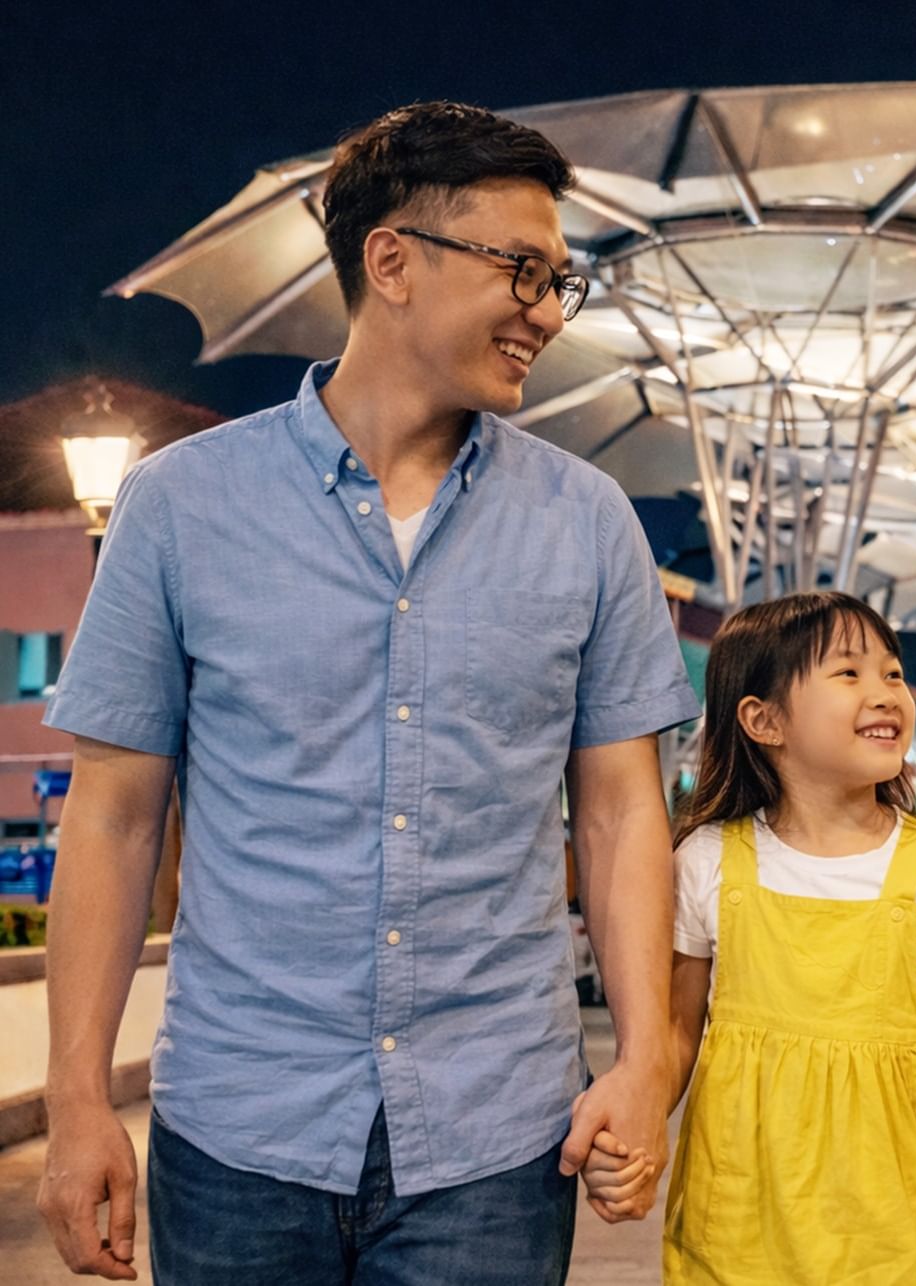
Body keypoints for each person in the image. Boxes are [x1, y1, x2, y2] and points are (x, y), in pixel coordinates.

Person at [35, 101, 701, 1284]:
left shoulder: (585, 521)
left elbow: (619, 812)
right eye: (521, 270)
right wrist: (80, 1100)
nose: (546, 311)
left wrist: (644, 1061)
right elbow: (113, 812)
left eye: (559, 282)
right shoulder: (181, 507)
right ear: (390, 259)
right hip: (239, 1127)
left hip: (496, 1141)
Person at [581, 590, 916, 1282]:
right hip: (737, 1235)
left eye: (892, 673)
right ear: (762, 719)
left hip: (900, 1241)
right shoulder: (708, 863)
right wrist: (632, 1133)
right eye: (848, 673)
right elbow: (676, 1036)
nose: (885, 692)